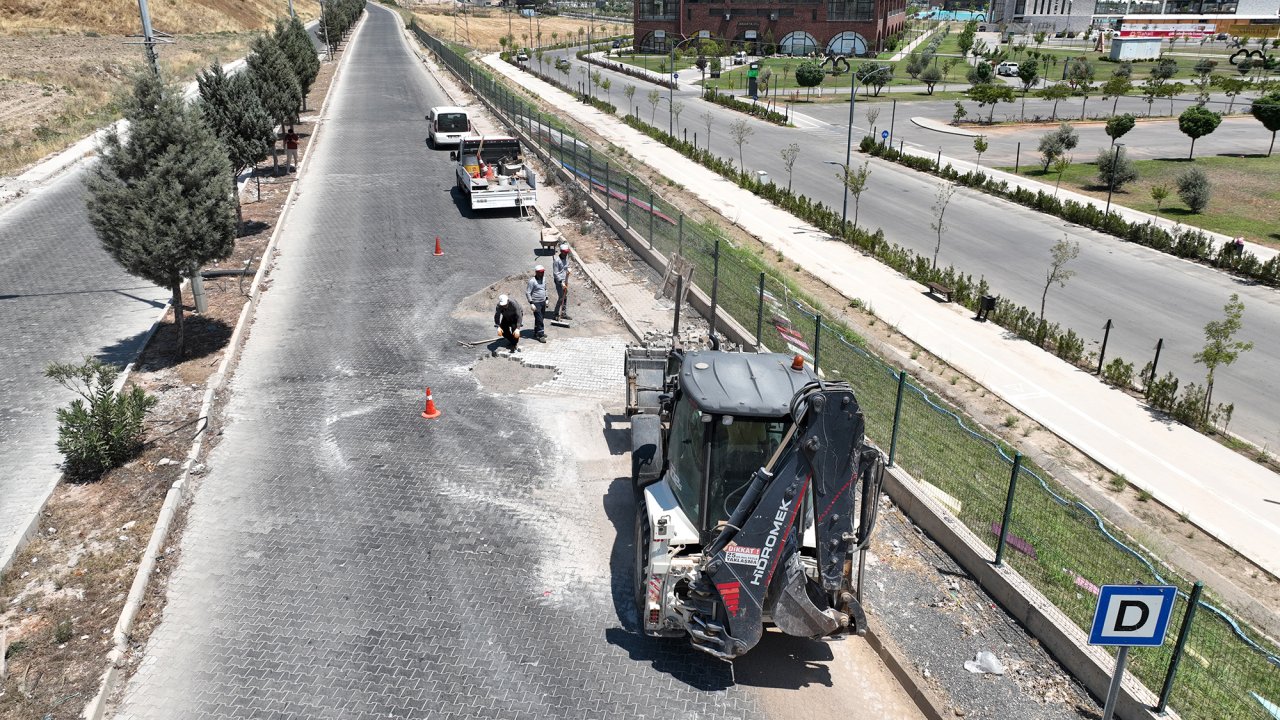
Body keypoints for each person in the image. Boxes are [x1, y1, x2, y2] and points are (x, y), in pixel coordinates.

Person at [526, 265, 548, 342]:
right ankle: (541, 335)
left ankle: (536, 332)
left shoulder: (544, 279)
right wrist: (531, 303)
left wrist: (547, 298)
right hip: (536, 302)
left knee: (541, 318)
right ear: (536, 273)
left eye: (543, 272)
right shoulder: (532, 281)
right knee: (539, 319)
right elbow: (528, 293)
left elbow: (545, 289)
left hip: (543, 301)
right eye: (540, 273)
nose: (542, 274)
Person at [552, 243, 571, 321]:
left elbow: (567, 266)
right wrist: (561, 282)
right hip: (559, 281)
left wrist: (569, 270)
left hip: (565, 279)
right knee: (561, 297)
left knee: (565, 297)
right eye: (565, 252)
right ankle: (556, 314)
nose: (566, 254)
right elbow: (555, 273)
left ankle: (563, 313)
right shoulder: (557, 261)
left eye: (567, 252)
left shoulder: (566, 258)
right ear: (561, 251)